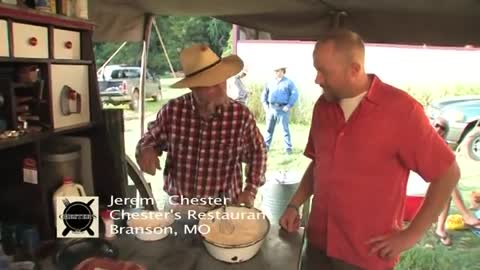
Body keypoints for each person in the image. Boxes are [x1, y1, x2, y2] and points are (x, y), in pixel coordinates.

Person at [279, 30, 460, 270]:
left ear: (354, 70)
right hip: (317, 245)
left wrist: (410, 235)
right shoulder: (323, 106)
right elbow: (320, 162)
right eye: (316, 69)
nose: (317, 80)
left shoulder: (402, 111)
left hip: (365, 256)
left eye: (324, 72)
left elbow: (447, 174)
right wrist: (295, 203)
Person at [135, 44, 267, 209]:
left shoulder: (240, 116)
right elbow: (150, 139)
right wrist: (147, 149)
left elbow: (258, 152)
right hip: (179, 206)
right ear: (193, 86)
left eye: (222, 79)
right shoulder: (173, 111)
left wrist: (251, 189)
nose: (221, 87)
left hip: (223, 208)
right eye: (212, 83)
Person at [433, 118, 480, 246]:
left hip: (436, 177)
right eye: (436, 125)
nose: (439, 129)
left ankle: (440, 229)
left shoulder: (444, 144)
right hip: (417, 177)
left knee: (449, 185)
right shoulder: (427, 140)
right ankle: (465, 215)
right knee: (449, 182)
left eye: (443, 128)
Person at [261, 66, 299, 154]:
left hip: (283, 109)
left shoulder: (289, 83)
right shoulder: (270, 82)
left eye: (277, 71)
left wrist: (289, 105)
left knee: (284, 130)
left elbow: (294, 94)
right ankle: (265, 148)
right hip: (271, 109)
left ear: (282, 71)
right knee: (268, 130)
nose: (275, 72)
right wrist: (266, 107)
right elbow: (264, 95)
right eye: (275, 71)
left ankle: (288, 149)